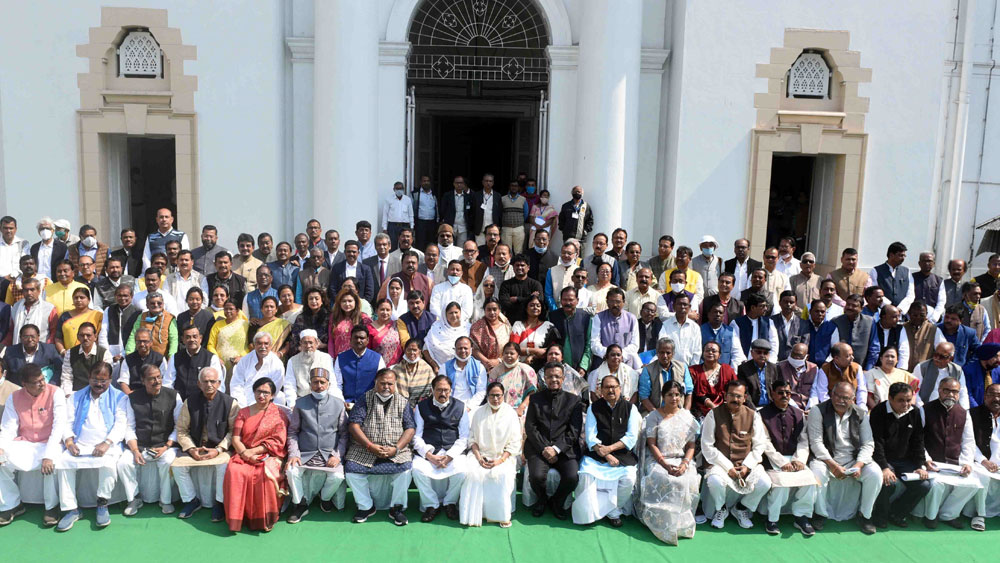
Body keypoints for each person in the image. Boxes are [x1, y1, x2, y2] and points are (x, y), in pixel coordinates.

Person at [54, 362, 126, 531]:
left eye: (103, 380)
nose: (99, 384)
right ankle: (71, 509)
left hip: (108, 444)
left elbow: (121, 425)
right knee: (63, 463)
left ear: (110, 380)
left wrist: (107, 443)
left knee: (109, 464)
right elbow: (67, 422)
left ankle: (102, 502)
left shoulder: (120, 397)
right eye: (95, 379)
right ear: (89, 378)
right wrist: (69, 441)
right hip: (80, 444)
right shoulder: (76, 396)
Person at [806, 381, 881, 534]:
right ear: (831, 395)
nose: (841, 401)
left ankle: (865, 515)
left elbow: (868, 443)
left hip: (854, 459)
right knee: (817, 472)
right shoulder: (817, 411)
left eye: (845, 398)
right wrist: (832, 464)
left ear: (853, 399)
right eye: (837, 396)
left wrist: (859, 465)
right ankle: (820, 514)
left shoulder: (861, 413)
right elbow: (816, 442)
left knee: (875, 473)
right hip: (826, 458)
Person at [345, 369, 415, 526]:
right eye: (382, 383)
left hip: (396, 450)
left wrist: (396, 448)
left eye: (390, 384)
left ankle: (396, 509)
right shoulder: (365, 399)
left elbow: (410, 428)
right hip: (365, 449)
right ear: (375, 383)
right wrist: (370, 446)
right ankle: (366, 507)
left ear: (395, 385)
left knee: (405, 470)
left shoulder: (403, 402)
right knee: (351, 470)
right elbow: (354, 425)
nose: (386, 387)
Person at [572, 374, 642, 527]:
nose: (611, 390)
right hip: (597, 455)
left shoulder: (631, 408)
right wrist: (607, 455)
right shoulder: (594, 408)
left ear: (620, 389)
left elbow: (631, 437)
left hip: (622, 455)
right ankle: (590, 510)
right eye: (607, 387)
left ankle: (613, 510)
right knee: (584, 476)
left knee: (629, 479)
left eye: (614, 387)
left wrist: (610, 449)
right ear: (600, 391)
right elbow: (590, 436)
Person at [0, 364, 66, 526]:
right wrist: (1, 448)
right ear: (25, 384)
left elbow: (59, 427)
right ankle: (12, 504)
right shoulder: (14, 397)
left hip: (51, 442)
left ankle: (51, 507)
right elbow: (8, 428)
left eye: (42, 379)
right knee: (1, 460)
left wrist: (48, 455)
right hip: (25, 443)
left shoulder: (56, 392)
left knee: (52, 462)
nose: (42, 384)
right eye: (36, 382)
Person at [635, 379, 699, 544]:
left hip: (681, 459)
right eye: (670, 394)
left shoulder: (687, 417)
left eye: (677, 395)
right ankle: (661, 522)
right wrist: (665, 464)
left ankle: (680, 525)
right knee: (663, 478)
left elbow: (691, 445)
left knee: (687, 479)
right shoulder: (654, 417)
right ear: (663, 396)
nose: (674, 398)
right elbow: (652, 444)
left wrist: (684, 464)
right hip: (658, 459)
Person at [173, 366, 239, 521]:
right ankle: (191, 500)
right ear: (199, 384)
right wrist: (190, 449)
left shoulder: (230, 403)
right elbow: (181, 430)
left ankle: (219, 503)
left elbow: (233, 432)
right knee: (177, 467)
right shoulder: (190, 402)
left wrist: (218, 449)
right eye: (205, 381)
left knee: (223, 466)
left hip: (220, 449)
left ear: (219, 383)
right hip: (195, 448)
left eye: (213, 381)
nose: (209, 385)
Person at [223, 377, 289, 532]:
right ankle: (238, 519)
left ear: (272, 395)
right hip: (242, 453)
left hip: (268, 454)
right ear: (253, 392)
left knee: (264, 474)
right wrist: (245, 454)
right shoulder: (243, 412)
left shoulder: (277, 414)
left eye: (266, 392)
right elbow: (236, 438)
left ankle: (263, 519)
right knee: (235, 472)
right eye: (259, 391)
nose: (262, 395)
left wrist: (253, 452)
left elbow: (278, 441)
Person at [285, 368, 349, 523]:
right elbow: (293, 432)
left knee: (338, 476)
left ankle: (325, 498)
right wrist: (294, 454)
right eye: (315, 382)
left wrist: (337, 455)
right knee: (291, 471)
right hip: (306, 454)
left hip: (329, 454)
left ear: (328, 384)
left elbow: (344, 434)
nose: (319, 385)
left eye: (322, 382)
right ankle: (300, 504)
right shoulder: (300, 403)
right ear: (310, 384)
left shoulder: (338, 404)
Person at [118, 364, 183, 516]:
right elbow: (129, 427)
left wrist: (167, 446)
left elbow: (179, 426)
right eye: (152, 378)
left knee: (167, 462)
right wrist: (134, 450)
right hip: (139, 445)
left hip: (165, 445)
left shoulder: (173, 396)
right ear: (143, 381)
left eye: (159, 377)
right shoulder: (132, 398)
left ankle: (165, 500)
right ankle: (133, 499)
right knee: (123, 463)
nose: (157, 381)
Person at [523, 362, 583, 519]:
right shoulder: (535, 399)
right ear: (544, 378)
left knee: (572, 477)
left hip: (565, 449)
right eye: (550, 376)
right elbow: (530, 427)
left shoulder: (574, 400)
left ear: (563, 378)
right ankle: (542, 500)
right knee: (535, 476)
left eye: (557, 376)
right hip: (538, 447)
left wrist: (556, 449)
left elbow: (574, 431)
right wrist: (545, 448)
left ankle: (557, 501)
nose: (553, 379)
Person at [869, 381, 932, 529]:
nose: (906, 404)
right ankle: (880, 515)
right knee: (888, 482)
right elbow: (876, 443)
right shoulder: (878, 412)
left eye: (909, 400)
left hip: (905, 461)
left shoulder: (915, 412)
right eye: (901, 400)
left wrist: (920, 465)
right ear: (890, 399)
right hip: (883, 459)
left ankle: (897, 513)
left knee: (924, 485)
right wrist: (884, 467)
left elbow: (918, 441)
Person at [759, 379, 817, 536]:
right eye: (780, 393)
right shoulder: (762, 414)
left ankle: (801, 517)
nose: (785, 396)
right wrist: (782, 462)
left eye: (788, 393)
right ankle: (772, 519)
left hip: (795, 459)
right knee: (781, 483)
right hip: (773, 460)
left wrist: (799, 460)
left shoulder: (798, 414)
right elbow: (765, 443)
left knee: (810, 480)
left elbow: (804, 440)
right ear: (772, 394)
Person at [460, 381, 521, 527]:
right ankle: (477, 514)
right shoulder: (478, 413)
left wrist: (499, 461)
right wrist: (479, 458)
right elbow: (472, 440)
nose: (495, 399)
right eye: (492, 395)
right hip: (479, 455)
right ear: (487, 396)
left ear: (503, 395)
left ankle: (501, 515)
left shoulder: (511, 413)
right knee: (472, 474)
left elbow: (514, 443)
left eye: (499, 396)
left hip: (503, 457)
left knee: (501, 475)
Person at [411, 375, 470, 522]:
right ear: (432, 390)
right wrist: (429, 455)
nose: (442, 394)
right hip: (430, 450)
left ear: (451, 390)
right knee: (417, 470)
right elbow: (416, 436)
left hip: (453, 451)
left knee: (462, 471)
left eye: (446, 390)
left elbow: (464, 437)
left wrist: (450, 456)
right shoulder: (421, 407)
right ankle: (432, 505)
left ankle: (450, 502)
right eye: (439, 390)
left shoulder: (460, 407)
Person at [230, 332, 291, 408]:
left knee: (280, 397)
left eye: (266, 344)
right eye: (259, 343)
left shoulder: (277, 363)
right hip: (244, 400)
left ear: (271, 346)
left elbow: (275, 389)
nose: (263, 346)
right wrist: (242, 405)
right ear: (254, 345)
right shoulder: (245, 360)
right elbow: (236, 384)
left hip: (266, 400)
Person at [969, 382, 1000, 530]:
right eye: (992, 395)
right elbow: (968, 441)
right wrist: (983, 461)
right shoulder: (972, 414)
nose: (996, 399)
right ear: (985, 397)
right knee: (984, 477)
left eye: (999, 395)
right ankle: (980, 514)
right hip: (979, 461)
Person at [167, 324, 225, 401]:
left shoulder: (211, 358)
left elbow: (218, 385)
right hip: (179, 402)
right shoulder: (176, 357)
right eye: (188, 337)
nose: (191, 340)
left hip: (203, 402)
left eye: (195, 337)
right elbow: (168, 383)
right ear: (183, 340)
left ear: (200, 339)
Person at [333, 324, 387, 406]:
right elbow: (337, 384)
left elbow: (382, 383)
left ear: (368, 340)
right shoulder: (341, 358)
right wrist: (341, 401)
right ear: (350, 340)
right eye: (356, 337)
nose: (358, 340)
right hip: (346, 403)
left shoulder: (378, 359)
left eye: (362, 338)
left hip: (370, 404)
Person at [638, 337, 694, 413]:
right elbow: (644, 396)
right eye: (661, 352)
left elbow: (689, 392)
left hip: (679, 412)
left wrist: (685, 413)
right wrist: (656, 414)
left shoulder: (683, 367)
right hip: (654, 411)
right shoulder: (648, 370)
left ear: (673, 353)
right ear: (657, 353)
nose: (665, 356)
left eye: (668, 353)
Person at [590, 288, 641, 369]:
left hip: (625, 363)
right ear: (607, 302)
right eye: (612, 301)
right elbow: (594, 343)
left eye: (618, 302)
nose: (615, 305)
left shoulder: (632, 318)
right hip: (603, 362)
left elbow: (635, 344)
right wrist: (609, 355)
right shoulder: (599, 317)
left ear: (624, 302)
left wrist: (619, 355)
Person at [59, 322, 112, 395]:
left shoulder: (104, 354)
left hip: (98, 393)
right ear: (78, 337)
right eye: (82, 335)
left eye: (88, 335)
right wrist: (68, 395)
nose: (85, 338)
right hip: (75, 393)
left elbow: (106, 381)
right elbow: (67, 377)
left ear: (95, 337)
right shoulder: (70, 353)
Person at [809, 342, 867, 408]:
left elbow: (861, 390)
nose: (852, 358)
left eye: (852, 355)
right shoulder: (825, 370)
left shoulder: (856, 368)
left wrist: (861, 407)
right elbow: (822, 392)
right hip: (832, 406)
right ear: (836, 358)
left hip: (853, 405)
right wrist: (832, 408)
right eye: (848, 356)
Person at [912, 342, 969, 409]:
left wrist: (965, 411)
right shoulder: (922, 367)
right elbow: (914, 390)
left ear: (950, 358)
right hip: (925, 407)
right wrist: (922, 408)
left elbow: (962, 393)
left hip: (949, 408)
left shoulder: (957, 370)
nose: (937, 358)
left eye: (942, 357)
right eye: (935, 355)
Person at [488, 342, 538, 417]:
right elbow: (490, 393)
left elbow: (532, 393)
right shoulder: (495, 371)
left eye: (512, 353)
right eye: (506, 353)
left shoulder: (527, 370)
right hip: (498, 411)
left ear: (518, 355)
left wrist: (522, 407)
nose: (508, 355)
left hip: (520, 411)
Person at [690, 341, 739, 418]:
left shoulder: (727, 370)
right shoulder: (694, 371)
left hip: (724, 410)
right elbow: (693, 393)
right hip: (699, 412)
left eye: (714, 351)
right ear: (703, 353)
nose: (710, 353)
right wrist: (712, 406)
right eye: (707, 350)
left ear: (719, 355)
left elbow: (735, 390)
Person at [124, 292, 178, 361]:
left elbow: (174, 340)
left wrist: (171, 359)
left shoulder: (170, 318)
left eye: (159, 303)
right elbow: (133, 335)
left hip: (162, 360)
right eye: (152, 303)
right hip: (142, 358)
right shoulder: (142, 317)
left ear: (163, 304)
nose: (156, 305)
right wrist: (129, 353)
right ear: (147, 305)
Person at [206, 299, 250, 382]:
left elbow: (250, 345)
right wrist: (216, 359)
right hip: (220, 365)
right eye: (225, 309)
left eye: (231, 309)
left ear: (237, 311)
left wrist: (242, 357)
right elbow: (210, 345)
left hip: (239, 363)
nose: (228, 311)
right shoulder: (217, 325)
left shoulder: (245, 325)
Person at [731, 293, 779, 366]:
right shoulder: (737, 323)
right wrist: (743, 362)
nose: (765, 309)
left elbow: (774, 344)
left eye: (766, 306)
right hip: (743, 364)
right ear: (753, 307)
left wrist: (770, 361)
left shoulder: (769, 322)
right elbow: (736, 347)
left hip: (764, 363)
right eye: (762, 306)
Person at [510, 295, 555, 369]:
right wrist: (535, 351)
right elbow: (513, 348)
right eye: (532, 305)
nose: (535, 308)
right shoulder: (518, 325)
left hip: (542, 368)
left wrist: (533, 356)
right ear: (525, 308)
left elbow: (552, 348)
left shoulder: (548, 326)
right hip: (519, 367)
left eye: (538, 305)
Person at [10, 277, 58, 344]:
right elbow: (11, 330)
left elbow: (54, 332)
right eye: (26, 290)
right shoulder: (16, 307)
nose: (29, 293)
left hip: (42, 351)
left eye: (32, 290)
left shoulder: (49, 308)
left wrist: (47, 348)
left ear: (39, 291)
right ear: (22, 292)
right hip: (18, 350)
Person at [391, 338, 436, 407]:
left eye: (415, 350)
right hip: (399, 406)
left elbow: (431, 391)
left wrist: (418, 407)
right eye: (409, 350)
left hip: (422, 407)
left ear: (419, 352)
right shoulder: (396, 369)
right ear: (405, 351)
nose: (412, 353)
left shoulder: (427, 369)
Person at [657, 294, 701, 365]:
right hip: (669, 368)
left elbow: (697, 351)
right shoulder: (665, 325)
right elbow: (662, 347)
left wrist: (693, 369)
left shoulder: (695, 327)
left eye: (685, 304)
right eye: (679, 304)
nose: (682, 307)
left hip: (689, 369)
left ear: (689, 307)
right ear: (674, 306)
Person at [328, 240, 376, 305]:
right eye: (349, 252)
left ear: (358, 253)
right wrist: (340, 303)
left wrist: (361, 304)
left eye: (354, 252)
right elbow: (332, 288)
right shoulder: (337, 268)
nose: (351, 254)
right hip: (341, 306)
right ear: (345, 252)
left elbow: (369, 291)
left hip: (361, 307)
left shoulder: (365, 269)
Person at [469, 297, 510, 372]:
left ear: (499, 310)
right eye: (489, 309)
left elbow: (512, 348)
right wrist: (487, 362)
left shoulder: (506, 327)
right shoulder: (477, 327)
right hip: (481, 367)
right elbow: (474, 349)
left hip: (504, 365)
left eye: (494, 309)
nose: (492, 312)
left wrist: (498, 360)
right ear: (484, 311)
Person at [328, 288, 370, 357]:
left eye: (350, 301)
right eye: (344, 301)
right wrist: (331, 358)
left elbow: (368, 341)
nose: (347, 304)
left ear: (355, 302)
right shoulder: (334, 317)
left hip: (358, 358)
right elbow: (331, 340)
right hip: (339, 358)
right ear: (339, 303)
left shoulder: (364, 318)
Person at [905, 300, 945, 370]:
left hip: (925, 371)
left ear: (926, 314)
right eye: (915, 315)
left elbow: (943, 349)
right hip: (905, 371)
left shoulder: (933, 329)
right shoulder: (903, 328)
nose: (918, 318)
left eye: (922, 315)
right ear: (909, 314)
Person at [866, 304, 910, 370]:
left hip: (893, 369)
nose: (898, 319)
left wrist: (901, 369)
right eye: (894, 317)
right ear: (883, 317)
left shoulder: (900, 329)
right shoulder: (873, 327)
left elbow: (903, 350)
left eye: (898, 316)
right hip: (873, 369)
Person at [289, 287, 330, 355]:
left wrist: (323, 345)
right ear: (307, 301)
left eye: (316, 298)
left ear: (322, 301)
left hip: (323, 353)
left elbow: (333, 340)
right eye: (311, 299)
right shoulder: (300, 318)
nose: (313, 301)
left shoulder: (329, 317)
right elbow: (294, 340)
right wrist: (301, 348)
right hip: (303, 354)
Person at [544, 242, 580, 310]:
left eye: (569, 253)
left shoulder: (579, 272)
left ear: (575, 255)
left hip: (573, 311)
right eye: (563, 253)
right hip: (554, 311)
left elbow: (581, 293)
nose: (566, 255)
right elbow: (548, 295)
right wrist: (555, 310)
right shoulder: (551, 271)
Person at [29, 218, 67, 282]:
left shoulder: (61, 247)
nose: (45, 231)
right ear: (38, 231)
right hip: (37, 283)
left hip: (55, 282)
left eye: (48, 228)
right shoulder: (34, 248)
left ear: (53, 230)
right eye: (42, 229)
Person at [253, 296, 291, 360]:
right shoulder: (254, 325)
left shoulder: (283, 324)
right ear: (261, 309)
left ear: (276, 309)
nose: (269, 309)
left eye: (272, 307)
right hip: (257, 359)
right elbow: (251, 344)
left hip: (277, 359)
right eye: (266, 306)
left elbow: (289, 343)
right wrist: (260, 355)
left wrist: (280, 353)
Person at [701, 302, 737, 368]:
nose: (717, 314)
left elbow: (736, 353)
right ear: (708, 314)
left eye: (720, 313)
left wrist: (732, 372)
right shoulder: (700, 330)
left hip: (724, 372)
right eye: (715, 312)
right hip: (703, 371)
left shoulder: (730, 331)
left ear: (723, 316)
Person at [368, 299, 403, 366]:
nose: (385, 312)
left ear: (391, 311)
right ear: (376, 311)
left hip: (396, 367)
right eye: (382, 309)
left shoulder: (397, 325)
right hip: (377, 367)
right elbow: (367, 351)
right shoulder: (369, 328)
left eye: (388, 310)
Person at [965, 343, 1000, 408]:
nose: (999, 360)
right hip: (976, 410)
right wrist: (978, 412)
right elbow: (968, 395)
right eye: (995, 356)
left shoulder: (998, 370)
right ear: (986, 356)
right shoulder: (968, 371)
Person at [772, 291, 800, 362]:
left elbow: (804, 344)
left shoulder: (803, 323)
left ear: (796, 304)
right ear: (779, 303)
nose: (788, 304)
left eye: (791, 302)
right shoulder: (771, 321)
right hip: (775, 362)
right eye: (785, 302)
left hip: (795, 363)